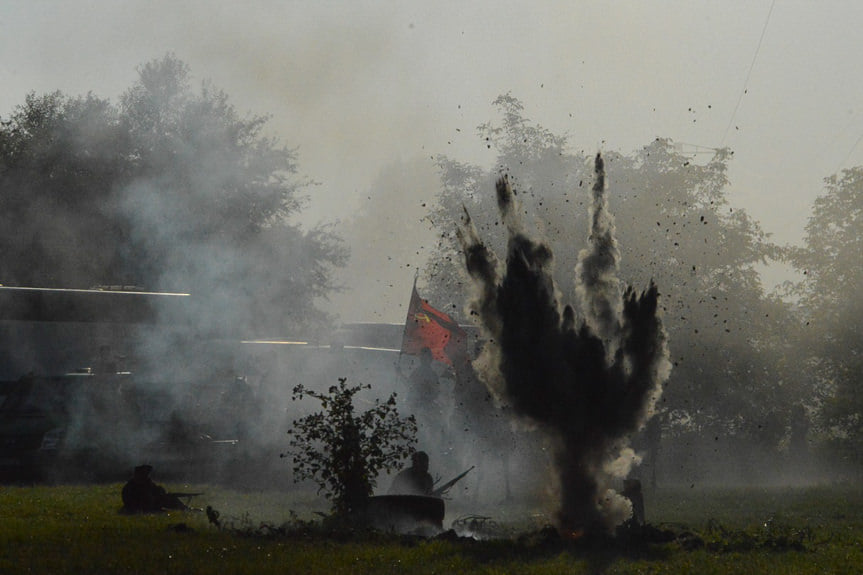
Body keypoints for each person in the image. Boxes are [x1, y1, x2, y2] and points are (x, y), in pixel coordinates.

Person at [121, 465, 188, 513]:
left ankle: (185, 508)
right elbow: (132, 501)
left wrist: (161, 492)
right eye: (144, 474)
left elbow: (156, 490)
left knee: (172, 499)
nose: (146, 476)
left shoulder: (147, 482)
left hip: (150, 504)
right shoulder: (130, 487)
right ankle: (184, 509)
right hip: (140, 507)